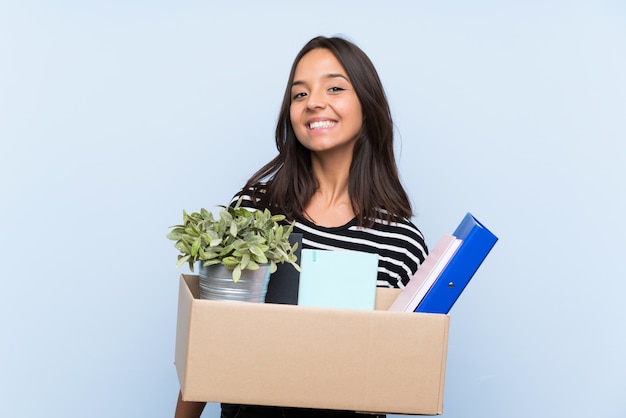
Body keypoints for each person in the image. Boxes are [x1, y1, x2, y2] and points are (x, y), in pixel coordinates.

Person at [174, 35, 428, 418]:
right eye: (299, 94)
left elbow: (393, 376)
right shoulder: (254, 211)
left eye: (335, 88)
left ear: (367, 106)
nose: (313, 102)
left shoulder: (401, 243)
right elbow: (211, 342)